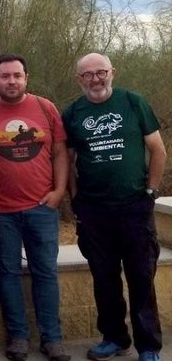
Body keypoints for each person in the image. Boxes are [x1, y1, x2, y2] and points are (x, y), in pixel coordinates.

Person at [63, 53, 166, 361]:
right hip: (94, 210)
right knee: (104, 278)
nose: (96, 79)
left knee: (141, 277)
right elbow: (67, 161)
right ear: (79, 79)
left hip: (134, 206)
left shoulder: (133, 102)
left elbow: (158, 150)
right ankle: (114, 338)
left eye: (101, 72)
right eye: (88, 75)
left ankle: (148, 346)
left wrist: (150, 191)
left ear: (113, 73)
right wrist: (75, 198)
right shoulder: (73, 113)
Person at [0, 54, 70, 361]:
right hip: (1, 211)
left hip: (42, 207)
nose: (11, 81)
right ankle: (18, 337)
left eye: (17, 75)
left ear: (26, 77)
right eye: (5, 76)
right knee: (8, 273)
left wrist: (58, 192)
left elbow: (59, 153)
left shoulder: (46, 107)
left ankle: (52, 339)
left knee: (46, 273)